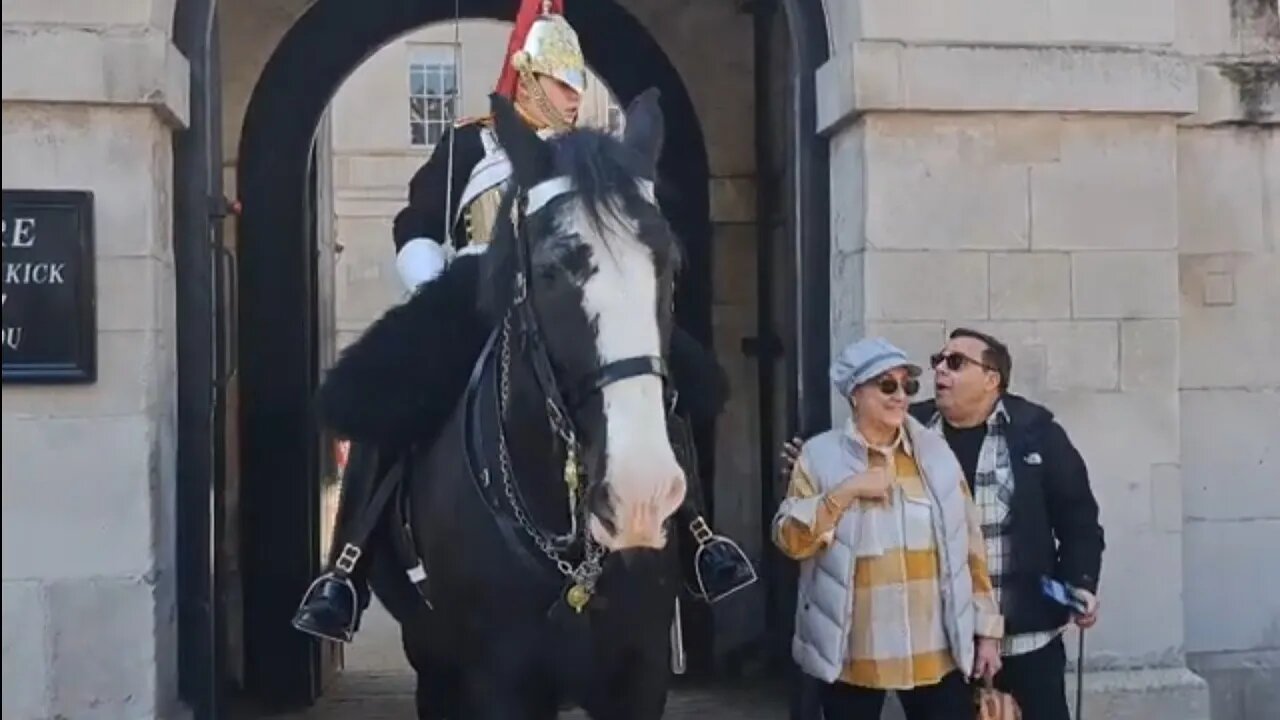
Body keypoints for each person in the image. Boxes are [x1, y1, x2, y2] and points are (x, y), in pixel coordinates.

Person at [292, 0, 755, 644]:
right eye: (564, 85)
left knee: (662, 379)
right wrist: (432, 280)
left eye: (579, 86)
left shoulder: (590, 156)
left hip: (566, 301)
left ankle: (700, 536)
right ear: (529, 78)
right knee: (389, 394)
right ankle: (346, 569)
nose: (574, 99)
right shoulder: (469, 143)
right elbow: (419, 225)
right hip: (475, 293)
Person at [774, 337, 1003, 720]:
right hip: (854, 657)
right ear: (855, 394)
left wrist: (988, 631)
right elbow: (791, 541)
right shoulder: (819, 456)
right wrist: (847, 491)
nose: (901, 396)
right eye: (887, 385)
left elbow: (971, 550)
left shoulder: (936, 453)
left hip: (935, 653)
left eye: (908, 385)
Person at [911, 328, 1104, 720]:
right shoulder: (910, 432)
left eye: (956, 362)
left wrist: (1080, 582)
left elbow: (1078, 519)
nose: (940, 370)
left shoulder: (1038, 433)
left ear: (991, 379)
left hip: (1027, 641)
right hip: (936, 644)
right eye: (938, 360)